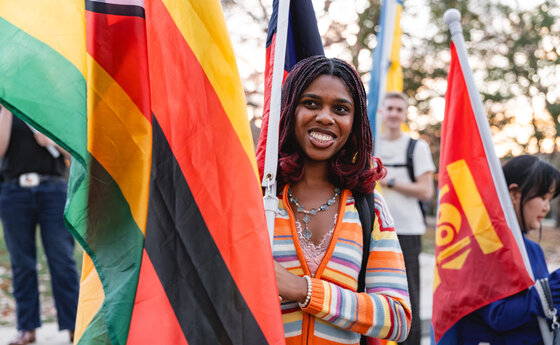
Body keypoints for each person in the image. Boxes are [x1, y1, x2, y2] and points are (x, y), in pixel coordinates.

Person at [270, 56, 411, 345]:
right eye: (310, 103)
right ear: (289, 109)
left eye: (340, 109)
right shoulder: (258, 197)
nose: (325, 117)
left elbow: (397, 319)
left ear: (354, 122)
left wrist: (303, 291)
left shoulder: (368, 206)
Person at [456, 155, 560, 344]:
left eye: (550, 199)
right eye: (543, 197)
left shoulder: (534, 250)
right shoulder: (486, 246)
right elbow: (499, 316)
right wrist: (553, 288)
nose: (546, 207)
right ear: (514, 194)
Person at [0, 105, 79, 345]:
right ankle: (27, 327)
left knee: (62, 259)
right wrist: (7, 107)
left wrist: (51, 142)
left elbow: (73, 152)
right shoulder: (5, 106)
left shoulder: (47, 100)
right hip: (13, 191)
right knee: (21, 262)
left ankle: (74, 325)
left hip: (53, 190)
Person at [377, 92, 435, 345]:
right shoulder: (371, 145)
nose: (393, 113)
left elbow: (426, 190)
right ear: (381, 112)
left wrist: (388, 179)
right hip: (373, 230)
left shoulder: (417, 147)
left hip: (407, 231)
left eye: (399, 109)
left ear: (405, 114)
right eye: (389, 108)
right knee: (374, 292)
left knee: (408, 295)